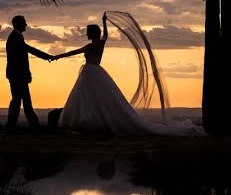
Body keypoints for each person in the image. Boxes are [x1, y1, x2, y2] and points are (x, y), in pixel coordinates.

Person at [53, 13, 204, 136]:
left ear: (92, 33)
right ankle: (95, 123)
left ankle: (90, 124)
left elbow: (74, 52)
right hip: (97, 72)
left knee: (88, 99)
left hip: (90, 73)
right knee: (99, 99)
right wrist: (104, 22)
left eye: (88, 32)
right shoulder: (101, 43)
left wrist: (57, 57)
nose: (86, 34)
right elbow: (106, 36)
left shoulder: (91, 45)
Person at [5, 15, 53, 131]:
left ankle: (21, 125)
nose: (26, 25)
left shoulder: (16, 37)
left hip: (17, 75)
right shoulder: (15, 38)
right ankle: (28, 124)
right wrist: (47, 56)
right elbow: (28, 51)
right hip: (17, 75)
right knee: (21, 100)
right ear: (19, 24)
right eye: (24, 23)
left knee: (21, 100)